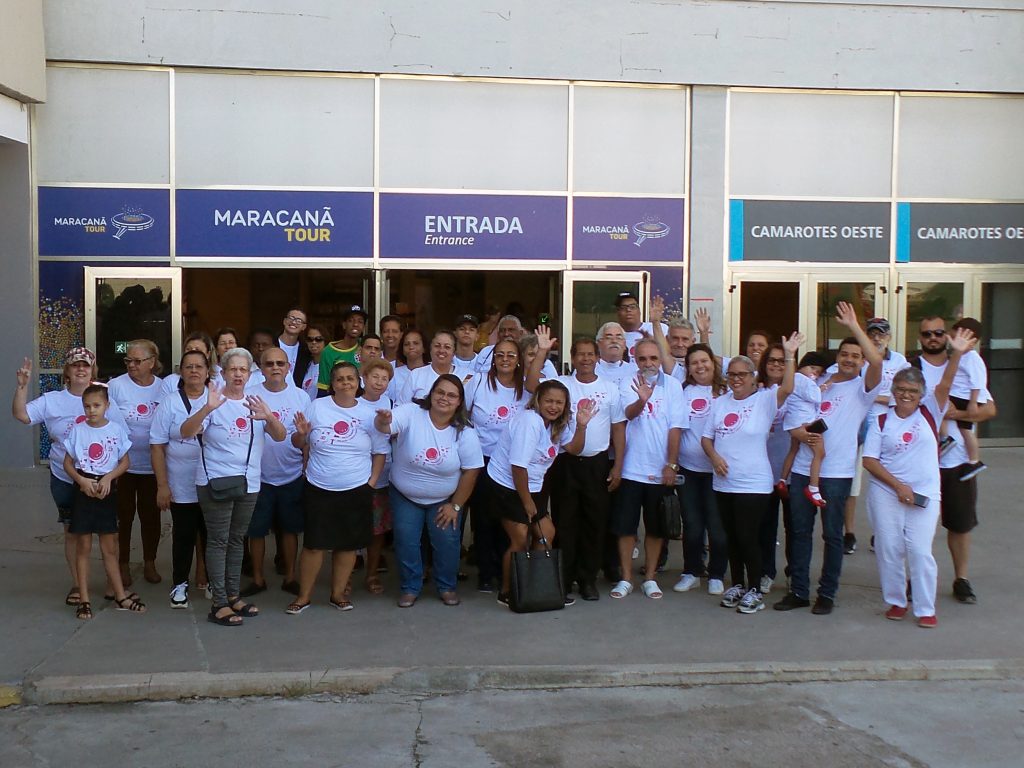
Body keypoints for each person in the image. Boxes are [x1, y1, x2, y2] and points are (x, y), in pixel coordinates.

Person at [774, 302, 882, 616]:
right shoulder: (818, 382)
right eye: (844, 354)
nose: (849, 359)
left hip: (835, 474)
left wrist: (853, 327)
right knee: (798, 533)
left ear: (861, 361)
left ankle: (827, 594)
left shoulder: (863, 389)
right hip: (801, 471)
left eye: (856, 355)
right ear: (837, 357)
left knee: (833, 535)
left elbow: (876, 361)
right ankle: (799, 591)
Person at [862, 327, 974, 628]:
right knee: (890, 547)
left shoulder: (930, 413)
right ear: (893, 391)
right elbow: (870, 460)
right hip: (887, 491)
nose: (906, 396)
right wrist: (898, 486)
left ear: (921, 394)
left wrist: (956, 354)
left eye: (912, 392)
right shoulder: (881, 421)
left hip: (925, 491)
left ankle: (925, 607)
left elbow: (946, 383)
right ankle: (896, 601)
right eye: (900, 390)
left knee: (920, 549)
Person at [12, 348, 129, 607]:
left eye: (85, 366)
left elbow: (120, 436)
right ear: (67, 370)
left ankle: (113, 583)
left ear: (92, 370)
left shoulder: (104, 398)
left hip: (101, 478)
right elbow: (22, 415)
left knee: (109, 534)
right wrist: (22, 387)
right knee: (73, 533)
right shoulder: (52, 400)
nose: (80, 369)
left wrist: (110, 476)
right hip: (65, 477)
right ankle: (78, 584)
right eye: (75, 365)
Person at [180, 347, 286, 627]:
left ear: (249, 374)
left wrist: (269, 417)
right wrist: (207, 408)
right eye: (232, 369)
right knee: (218, 540)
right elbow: (186, 432)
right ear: (223, 372)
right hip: (215, 481)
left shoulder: (255, 401)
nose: (238, 374)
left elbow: (280, 435)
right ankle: (218, 603)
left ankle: (233, 595)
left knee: (238, 539)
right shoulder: (212, 400)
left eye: (243, 369)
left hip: (249, 482)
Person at [701, 333, 802, 615]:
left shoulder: (765, 400)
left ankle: (755, 588)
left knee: (749, 537)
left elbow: (789, 386)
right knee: (730, 537)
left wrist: (790, 355)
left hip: (754, 484)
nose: (736, 379)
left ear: (752, 375)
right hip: (724, 484)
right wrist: (715, 457)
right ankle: (738, 584)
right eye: (732, 374)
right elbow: (706, 439)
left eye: (742, 375)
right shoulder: (720, 403)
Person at [526, 331, 625, 601]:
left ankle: (588, 579)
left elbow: (618, 429)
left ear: (597, 357)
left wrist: (618, 468)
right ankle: (565, 576)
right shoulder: (561, 383)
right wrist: (543, 351)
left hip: (597, 463)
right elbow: (532, 383)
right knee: (565, 521)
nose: (585, 358)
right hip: (564, 463)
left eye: (590, 354)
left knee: (594, 522)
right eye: (580, 354)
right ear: (572, 358)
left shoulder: (610, 388)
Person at [286, 362, 388, 614]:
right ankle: (304, 596)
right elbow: (299, 442)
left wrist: (370, 484)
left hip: (356, 488)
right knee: (313, 544)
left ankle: (338, 594)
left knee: (348, 545)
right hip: (319, 486)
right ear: (332, 384)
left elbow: (380, 452)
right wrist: (300, 434)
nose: (345, 383)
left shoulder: (368, 413)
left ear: (358, 382)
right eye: (340, 379)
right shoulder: (317, 407)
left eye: (350, 379)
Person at [374, 375, 484, 608]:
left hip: (444, 499)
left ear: (459, 402)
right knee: (406, 540)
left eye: (451, 395)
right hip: (405, 495)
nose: (444, 398)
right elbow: (386, 426)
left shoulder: (465, 431)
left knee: (447, 543)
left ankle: (447, 586)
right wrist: (383, 422)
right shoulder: (411, 412)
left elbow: (471, 471)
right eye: (440, 392)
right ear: (431, 394)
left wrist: (455, 506)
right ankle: (410, 587)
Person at [487, 379, 594, 607]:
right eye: (549, 401)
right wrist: (527, 503)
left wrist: (582, 426)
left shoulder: (556, 423)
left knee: (546, 534)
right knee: (519, 539)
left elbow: (574, 449)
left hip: (533, 486)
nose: (554, 406)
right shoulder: (530, 422)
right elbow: (518, 466)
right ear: (538, 400)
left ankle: (535, 585)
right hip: (508, 485)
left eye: (559, 402)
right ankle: (506, 592)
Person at [913, 316, 997, 604]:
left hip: (958, 461)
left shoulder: (967, 363)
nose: (933, 337)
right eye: (927, 334)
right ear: (920, 337)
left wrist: (955, 414)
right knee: (916, 525)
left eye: (938, 332)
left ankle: (961, 579)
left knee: (960, 524)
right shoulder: (912, 369)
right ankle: (916, 578)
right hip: (919, 461)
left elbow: (989, 410)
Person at [609, 338, 687, 600]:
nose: (648, 364)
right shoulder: (627, 382)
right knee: (626, 527)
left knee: (656, 528)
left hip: (660, 470)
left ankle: (650, 577)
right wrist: (642, 401)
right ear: (635, 359)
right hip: (632, 468)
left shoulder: (674, 386)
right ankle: (626, 578)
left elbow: (676, 428)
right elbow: (626, 416)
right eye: (643, 359)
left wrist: (671, 464)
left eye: (653, 358)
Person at [62, 383, 144, 619]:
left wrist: (109, 478)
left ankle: (120, 594)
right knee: (84, 546)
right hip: (85, 489)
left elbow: (125, 462)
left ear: (107, 406)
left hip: (107, 489)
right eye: (87, 406)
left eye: (97, 405)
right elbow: (68, 462)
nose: (91, 410)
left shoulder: (116, 430)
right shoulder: (78, 430)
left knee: (110, 547)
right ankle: (84, 599)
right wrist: (81, 481)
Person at [833, 317, 909, 555]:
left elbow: (903, 396)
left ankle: (881, 533)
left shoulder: (900, 362)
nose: (876, 338)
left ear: (889, 337)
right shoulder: (859, 359)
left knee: (886, 481)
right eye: (872, 333)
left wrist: (873, 396)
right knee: (852, 480)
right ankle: (850, 532)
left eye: (881, 334)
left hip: (888, 424)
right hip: (858, 422)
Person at [240, 346, 310, 597]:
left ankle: (290, 577)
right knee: (256, 531)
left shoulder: (301, 397)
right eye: (269, 364)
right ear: (261, 368)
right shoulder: (249, 395)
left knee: (290, 530)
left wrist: (303, 444)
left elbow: (302, 441)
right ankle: (258, 579)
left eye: (280, 363)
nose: (275, 368)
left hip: (290, 474)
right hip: (257, 476)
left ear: (288, 368)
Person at [464, 339, 531, 594]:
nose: (505, 359)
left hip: (512, 463)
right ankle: (485, 572)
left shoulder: (526, 389)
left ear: (518, 359)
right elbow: (462, 415)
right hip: (481, 460)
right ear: (493, 359)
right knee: (483, 519)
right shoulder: (478, 383)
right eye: (499, 355)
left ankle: (507, 569)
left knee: (510, 520)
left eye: (510, 355)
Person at [151, 349, 209, 608]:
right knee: (183, 535)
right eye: (188, 367)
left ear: (208, 372)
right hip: (180, 482)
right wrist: (162, 485)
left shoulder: (217, 398)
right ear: (181, 372)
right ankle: (179, 584)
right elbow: (157, 445)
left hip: (212, 481)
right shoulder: (170, 402)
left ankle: (211, 582)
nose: (194, 371)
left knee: (212, 535)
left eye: (199, 366)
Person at [767, 349, 827, 593]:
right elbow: (814, 397)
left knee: (794, 527)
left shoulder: (791, 383)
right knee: (819, 453)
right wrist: (821, 388)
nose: (816, 375)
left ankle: (783, 478)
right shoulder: (798, 382)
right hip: (798, 430)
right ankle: (814, 486)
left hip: (790, 450)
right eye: (815, 370)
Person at [671, 343, 729, 595]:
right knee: (692, 524)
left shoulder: (726, 391)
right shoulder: (682, 391)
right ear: (688, 368)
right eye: (694, 363)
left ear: (713, 362)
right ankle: (692, 571)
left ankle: (716, 573)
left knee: (717, 526)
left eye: (704, 361)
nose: (700, 366)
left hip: (718, 470)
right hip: (689, 469)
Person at [108, 339, 165, 587]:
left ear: (152, 362)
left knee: (151, 516)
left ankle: (150, 561)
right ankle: (122, 564)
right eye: (128, 360)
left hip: (153, 464)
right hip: (123, 465)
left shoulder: (164, 388)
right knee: (124, 516)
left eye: (137, 361)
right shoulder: (115, 386)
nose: (131, 365)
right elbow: (110, 425)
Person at [358, 358, 397, 592]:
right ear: (364, 378)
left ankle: (372, 575)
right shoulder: (353, 403)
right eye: (375, 377)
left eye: (384, 379)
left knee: (377, 530)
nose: (379, 383)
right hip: (355, 477)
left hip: (383, 476)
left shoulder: (391, 403)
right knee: (353, 528)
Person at [942, 316, 990, 480]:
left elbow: (978, 382)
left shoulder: (973, 358)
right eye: (955, 337)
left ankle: (948, 441)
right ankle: (972, 459)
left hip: (964, 397)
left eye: (963, 339)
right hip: (960, 395)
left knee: (939, 405)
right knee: (965, 430)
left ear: (973, 341)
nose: (957, 342)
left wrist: (973, 403)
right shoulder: (962, 356)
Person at [399, 330, 465, 404]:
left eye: (447, 347)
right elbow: (401, 406)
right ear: (430, 349)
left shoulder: (467, 375)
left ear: (454, 352)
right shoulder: (416, 374)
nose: (441, 350)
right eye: (437, 346)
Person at [317, 305, 367, 396]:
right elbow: (323, 388)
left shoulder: (366, 346)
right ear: (344, 325)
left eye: (360, 321)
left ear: (364, 327)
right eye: (351, 321)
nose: (355, 324)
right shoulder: (328, 352)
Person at [614, 291, 669, 359]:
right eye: (623, 307)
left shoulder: (658, 328)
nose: (628, 310)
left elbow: (668, 355)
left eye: (632, 307)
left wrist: (656, 323)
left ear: (639, 310)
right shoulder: (613, 335)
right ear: (617, 312)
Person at [159, 331, 215, 397]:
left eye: (198, 350)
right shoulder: (170, 382)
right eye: (188, 349)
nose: (192, 352)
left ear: (208, 354)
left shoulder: (219, 380)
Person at [388, 328, 427, 403]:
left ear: (424, 348)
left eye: (416, 343)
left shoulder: (432, 370)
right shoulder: (394, 374)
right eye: (406, 344)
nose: (411, 347)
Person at [595, 322, 637, 388]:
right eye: (608, 337)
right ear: (598, 344)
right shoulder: (588, 370)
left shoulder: (635, 371)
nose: (614, 341)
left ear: (625, 344)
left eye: (619, 338)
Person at [293, 324, 326, 401]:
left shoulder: (329, 366)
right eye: (310, 339)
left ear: (325, 341)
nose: (314, 342)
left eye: (318, 339)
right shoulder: (303, 364)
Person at [277, 307, 308, 372]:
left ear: (304, 327)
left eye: (299, 321)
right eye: (291, 318)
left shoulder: (305, 350)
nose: (294, 322)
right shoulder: (271, 343)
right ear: (284, 321)